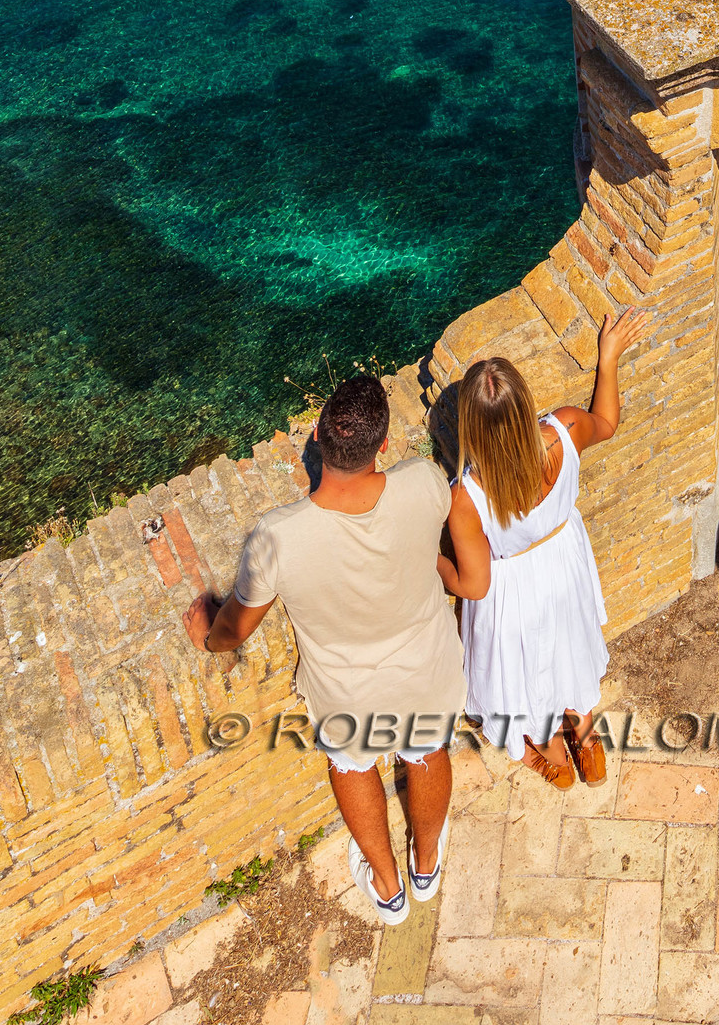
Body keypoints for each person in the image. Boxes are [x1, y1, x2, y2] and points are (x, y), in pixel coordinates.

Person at [184, 372, 490, 926]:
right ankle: (426, 864)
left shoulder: (277, 536)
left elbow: (234, 631)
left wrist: (206, 634)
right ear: (382, 445)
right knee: (426, 751)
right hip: (427, 668)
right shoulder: (424, 481)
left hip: (347, 691)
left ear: (320, 435)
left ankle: (388, 885)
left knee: (351, 765)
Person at [440, 306, 646, 788]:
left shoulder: (466, 498)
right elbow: (608, 422)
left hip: (511, 591)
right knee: (569, 650)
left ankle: (554, 757)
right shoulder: (566, 431)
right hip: (564, 566)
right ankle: (589, 746)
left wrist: (435, 563)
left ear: (471, 426)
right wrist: (608, 357)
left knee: (530, 676)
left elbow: (473, 585)